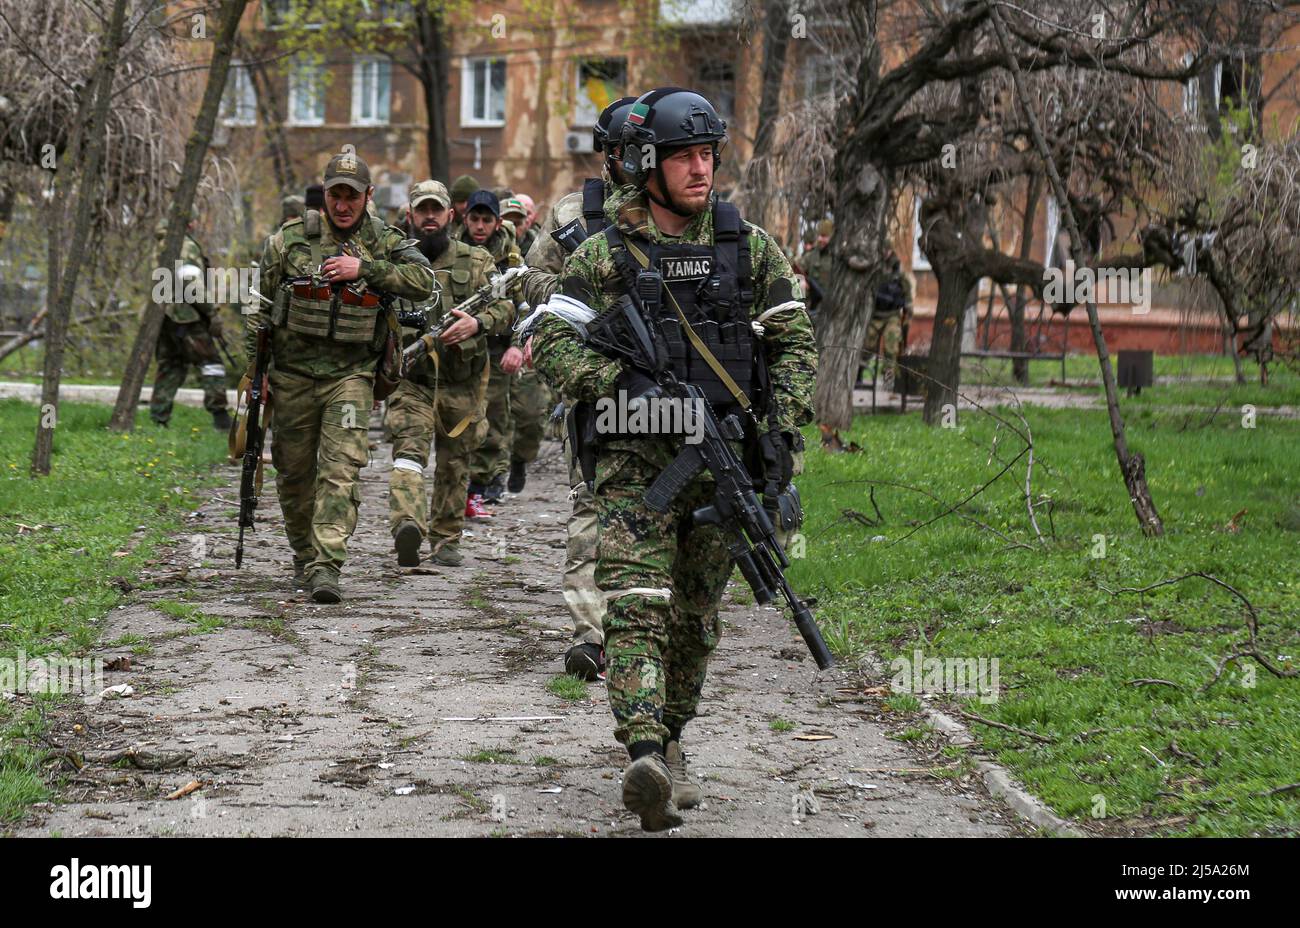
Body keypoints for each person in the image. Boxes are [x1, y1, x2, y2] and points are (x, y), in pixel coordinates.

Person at [530, 88, 816, 830]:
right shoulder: (601, 256)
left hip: (722, 460)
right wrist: (618, 381)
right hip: (633, 460)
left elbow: (791, 341)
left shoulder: (748, 247)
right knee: (636, 606)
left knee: (694, 617)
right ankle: (643, 751)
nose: (701, 168)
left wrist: (782, 433)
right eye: (686, 155)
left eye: (709, 154)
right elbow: (552, 345)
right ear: (647, 165)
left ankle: (674, 737)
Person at [246, 150, 435, 602]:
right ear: (325, 196)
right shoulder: (289, 242)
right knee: (293, 475)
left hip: (350, 377)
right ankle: (303, 556)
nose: (343, 205)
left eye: (352, 196)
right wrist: (256, 371)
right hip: (291, 375)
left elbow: (426, 281)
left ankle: (327, 564)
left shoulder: (383, 240)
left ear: (368, 196)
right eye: (336, 195)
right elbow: (258, 306)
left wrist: (365, 269)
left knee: (340, 470)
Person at [517, 95, 637, 682]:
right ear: (609, 155)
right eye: (625, 151)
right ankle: (591, 633)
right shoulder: (573, 213)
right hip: (593, 377)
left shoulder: (682, 210)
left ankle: (647, 624)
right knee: (591, 502)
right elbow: (533, 280)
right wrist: (577, 298)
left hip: (669, 386)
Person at [387, 180, 514, 566]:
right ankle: (407, 525)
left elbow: (506, 309)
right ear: (410, 215)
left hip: (463, 382)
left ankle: (446, 539)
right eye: (422, 210)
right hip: (413, 381)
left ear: (449, 215)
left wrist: (477, 323)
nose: (429, 217)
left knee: (455, 464)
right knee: (408, 454)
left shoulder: (475, 261)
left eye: (436, 210)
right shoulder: (394, 262)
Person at [459, 189, 525, 506]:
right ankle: (464, 481)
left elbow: (522, 305)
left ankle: (482, 482)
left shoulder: (510, 257)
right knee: (462, 419)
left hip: (497, 350)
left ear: (498, 223)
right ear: (465, 219)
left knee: (494, 422)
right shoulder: (453, 250)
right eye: (475, 219)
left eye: (487, 220)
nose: (480, 226)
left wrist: (517, 346)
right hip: (458, 350)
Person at [150, 215, 232, 431]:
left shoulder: (162, 243)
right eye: (194, 220)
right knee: (211, 363)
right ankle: (221, 418)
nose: (196, 224)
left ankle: (159, 419)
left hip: (163, 315)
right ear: (189, 222)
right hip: (187, 317)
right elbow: (190, 283)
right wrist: (211, 313)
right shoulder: (184, 245)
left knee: (170, 366)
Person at [866, 247, 912, 392]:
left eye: (887, 250)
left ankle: (888, 376)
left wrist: (907, 314)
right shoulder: (873, 267)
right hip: (875, 314)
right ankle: (859, 374)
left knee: (891, 344)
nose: (885, 253)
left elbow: (908, 295)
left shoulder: (898, 272)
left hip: (892, 315)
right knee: (866, 344)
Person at [448, 174, 479, 239]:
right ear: (453, 202)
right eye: (461, 201)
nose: (465, 206)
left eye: (470, 201)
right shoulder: (445, 224)